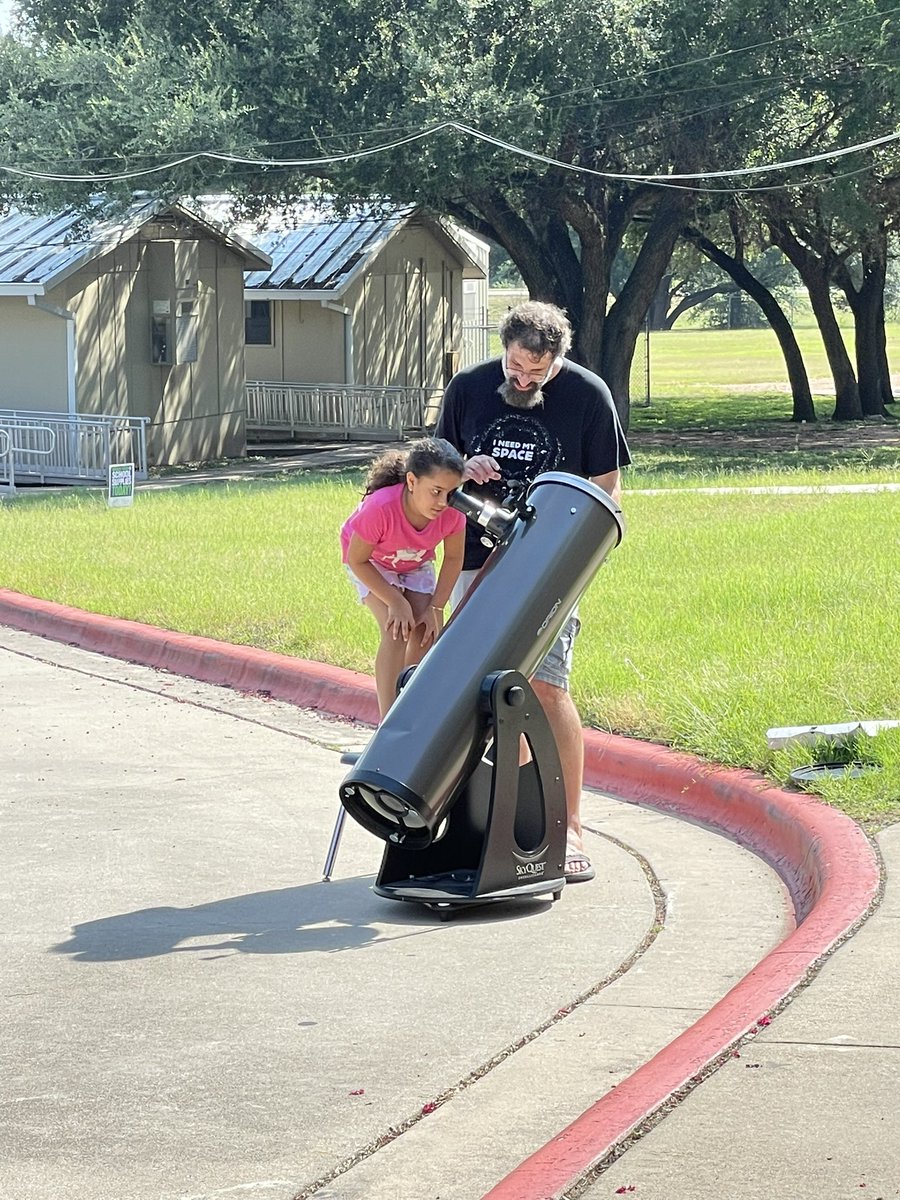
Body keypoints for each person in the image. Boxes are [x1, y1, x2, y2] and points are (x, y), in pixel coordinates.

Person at [435, 300, 630, 883]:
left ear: (558, 361)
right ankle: (489, 823)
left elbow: (607, 486)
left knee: (546, 688)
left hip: (546, 568)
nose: (521, 381)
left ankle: (568, 826)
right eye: (514, 369)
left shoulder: (589, 395)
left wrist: (572, 560)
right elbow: (437, 466)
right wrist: (465, 466)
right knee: (474, 693)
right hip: (472, 560)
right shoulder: (469, 388)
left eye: (535, 374)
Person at [341, 437, 466, 718]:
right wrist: (396, 600)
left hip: (415, 561)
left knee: (425, 634)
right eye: (435, 491)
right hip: (372, 562)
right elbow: (357, 559)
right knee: (396, 630)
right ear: (411, 481)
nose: (443, 502)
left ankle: (406, 707)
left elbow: (455, 558)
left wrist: (436, 606)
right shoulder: (380, 508)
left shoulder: (453, 512)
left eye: (451, 492)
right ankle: (388, 723)